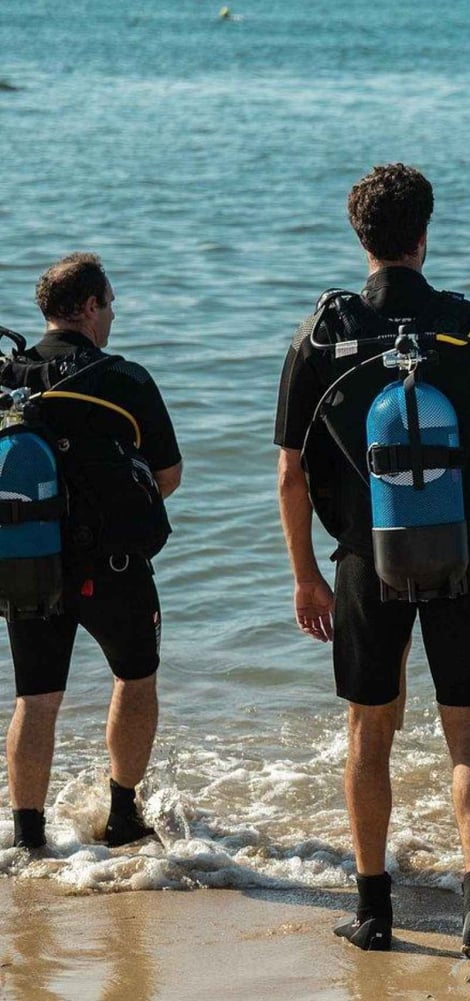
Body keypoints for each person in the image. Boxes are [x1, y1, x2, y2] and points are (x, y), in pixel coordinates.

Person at [273, 164, 470, 976]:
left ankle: (373, 911)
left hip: (364, 562)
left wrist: (307, 576)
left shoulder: (321, 335)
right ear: (424, 234)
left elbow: (290, 476)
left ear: (360, 237)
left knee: (368, 735)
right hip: (462, 558)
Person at [2, 253, 182, 853]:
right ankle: (123, 816)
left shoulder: (7, 378)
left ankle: (28, 838)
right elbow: (169, 474)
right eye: (109, 304)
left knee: (35, 697)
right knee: (135, 678)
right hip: (113, 566)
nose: (112, 315)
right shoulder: (124, 379)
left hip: (29, 564)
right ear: (87, 307)